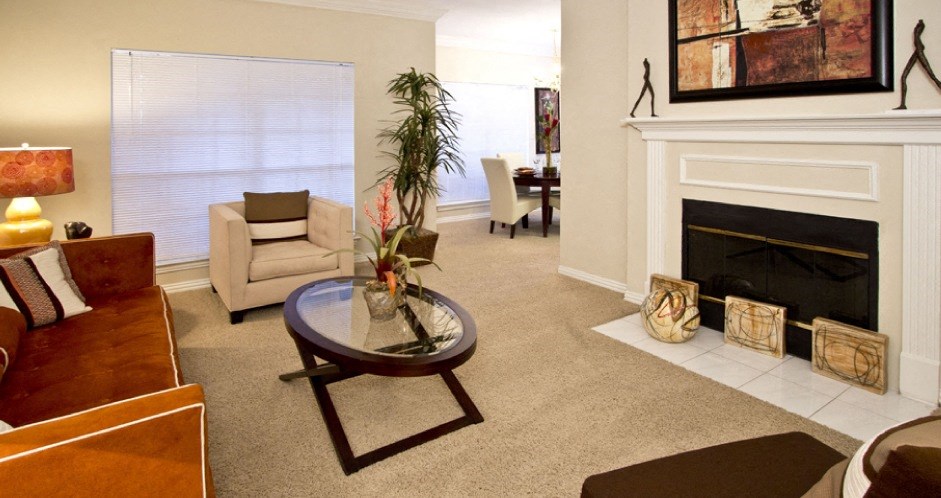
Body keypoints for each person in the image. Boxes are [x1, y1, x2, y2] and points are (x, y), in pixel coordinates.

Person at [896, 19, 941, 110]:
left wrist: (918, 29)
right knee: (904, 77)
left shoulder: (917, 36)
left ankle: (903, 104)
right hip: (918, 52)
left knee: (932, 76)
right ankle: (903, 104)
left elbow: (918, 41)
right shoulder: (917, 37)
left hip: (920, 53)